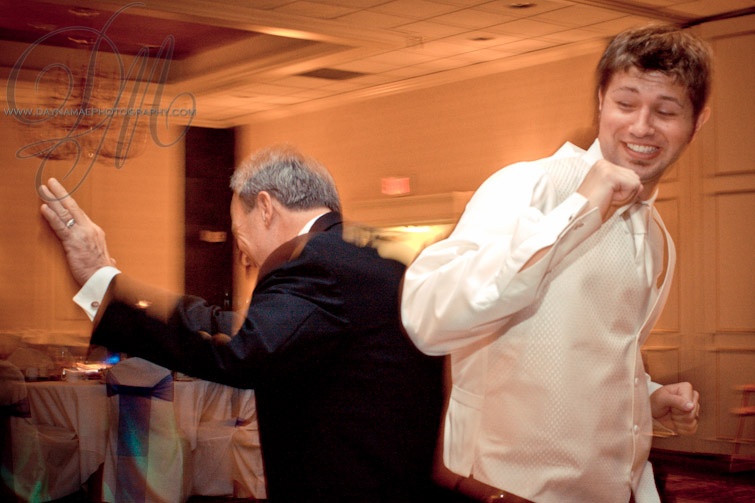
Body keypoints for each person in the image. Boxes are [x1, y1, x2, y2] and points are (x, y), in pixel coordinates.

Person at [400, 24, 710, 503]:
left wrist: (646, 395)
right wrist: (576, 212)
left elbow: (587, 348)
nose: (642, 126)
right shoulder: (525, 187)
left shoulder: (654, 233)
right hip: (505, 490)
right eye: (626, 103)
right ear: (601, 102)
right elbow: (428, 319)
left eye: (666, 111)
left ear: (697, 122)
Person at [39, 145, 448, 501]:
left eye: (238, 234)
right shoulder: (372, 254)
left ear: (265, 208)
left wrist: (103, 281)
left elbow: (240, 348)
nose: (243, 255)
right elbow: (256, 331)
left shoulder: (315, 262)